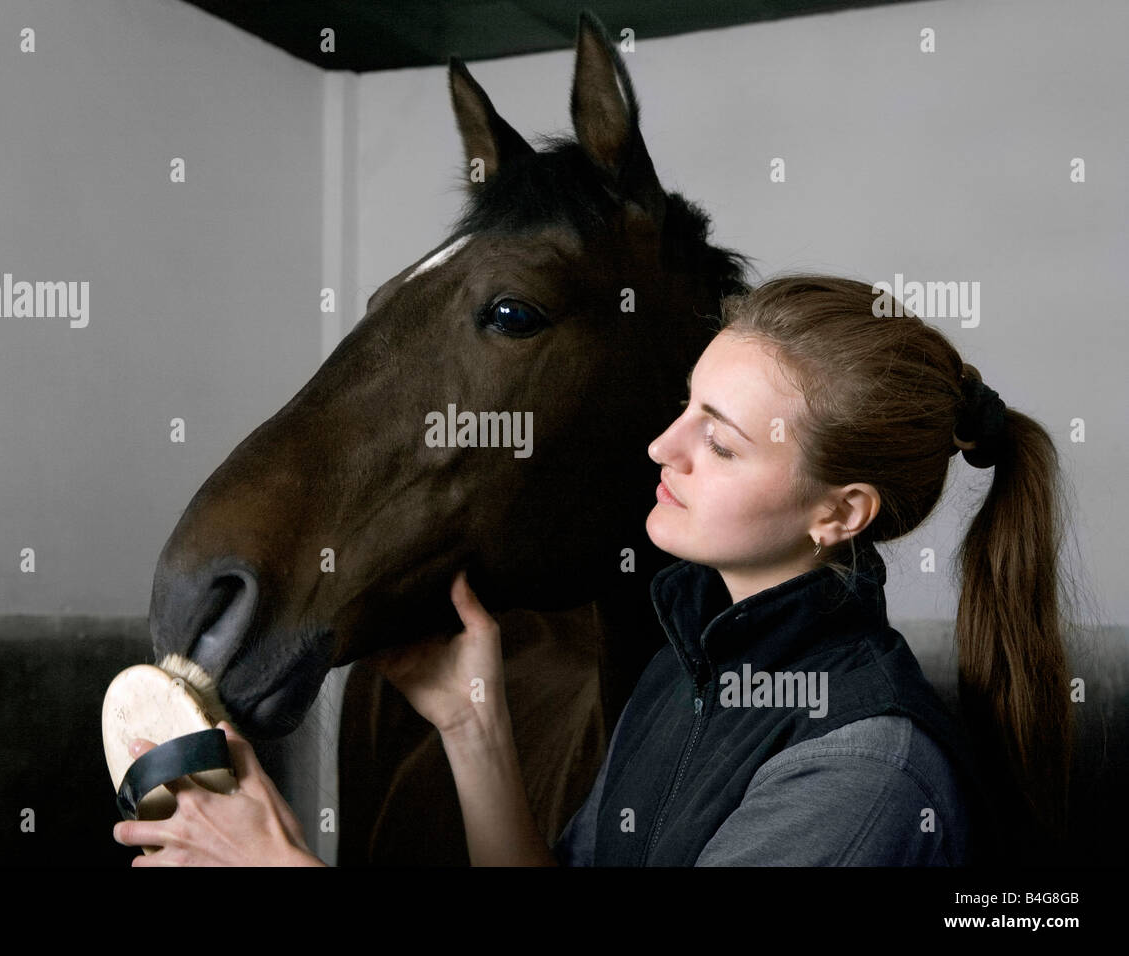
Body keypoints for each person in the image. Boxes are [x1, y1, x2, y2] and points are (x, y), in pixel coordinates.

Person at [115, 274, 1076, 866]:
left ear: (840, 513)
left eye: (722, 442)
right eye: (685, 407)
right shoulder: (686, 665)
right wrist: (472, 724)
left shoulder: (861, 774)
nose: (662, 447)